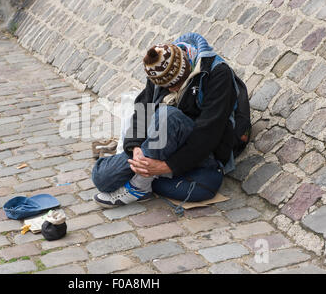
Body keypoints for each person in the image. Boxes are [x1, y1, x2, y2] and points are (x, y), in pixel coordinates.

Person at [91, 32, 242, 209]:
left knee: (167, 115)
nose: (171, 89)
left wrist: (166, 166)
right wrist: (136, 148)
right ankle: (150, 176)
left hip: (199, 150)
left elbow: (208, 134)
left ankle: (140, 185)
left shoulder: (217, 73)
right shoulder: (158, 69)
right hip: (159, 144)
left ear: (185, 70)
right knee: (101, 177)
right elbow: (142, 110)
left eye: (174, 85)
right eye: (166, 86)